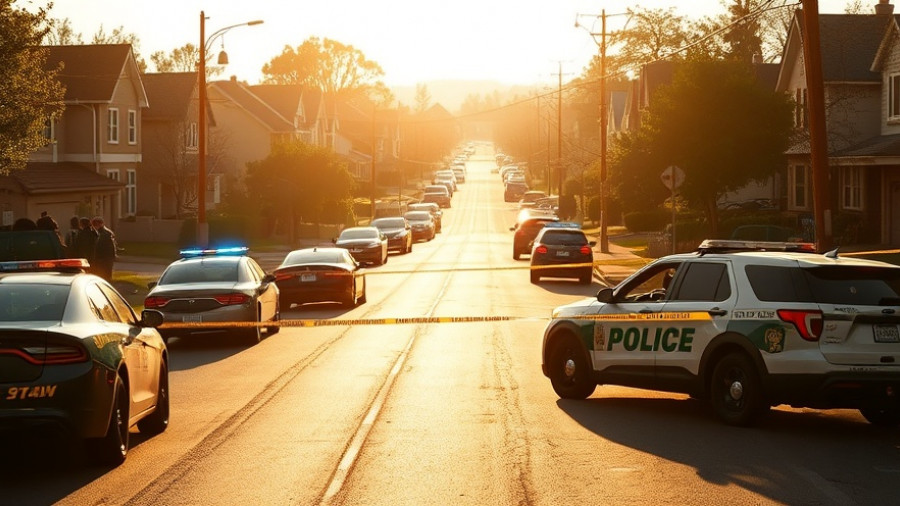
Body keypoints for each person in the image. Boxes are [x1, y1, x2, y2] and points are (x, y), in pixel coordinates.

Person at [91, 216, 118, 281]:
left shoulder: (102, 235)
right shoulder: (107, 233)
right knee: (107, 276)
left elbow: (100, 247)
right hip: (107, 259)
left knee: (103, 276)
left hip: (103, 259)